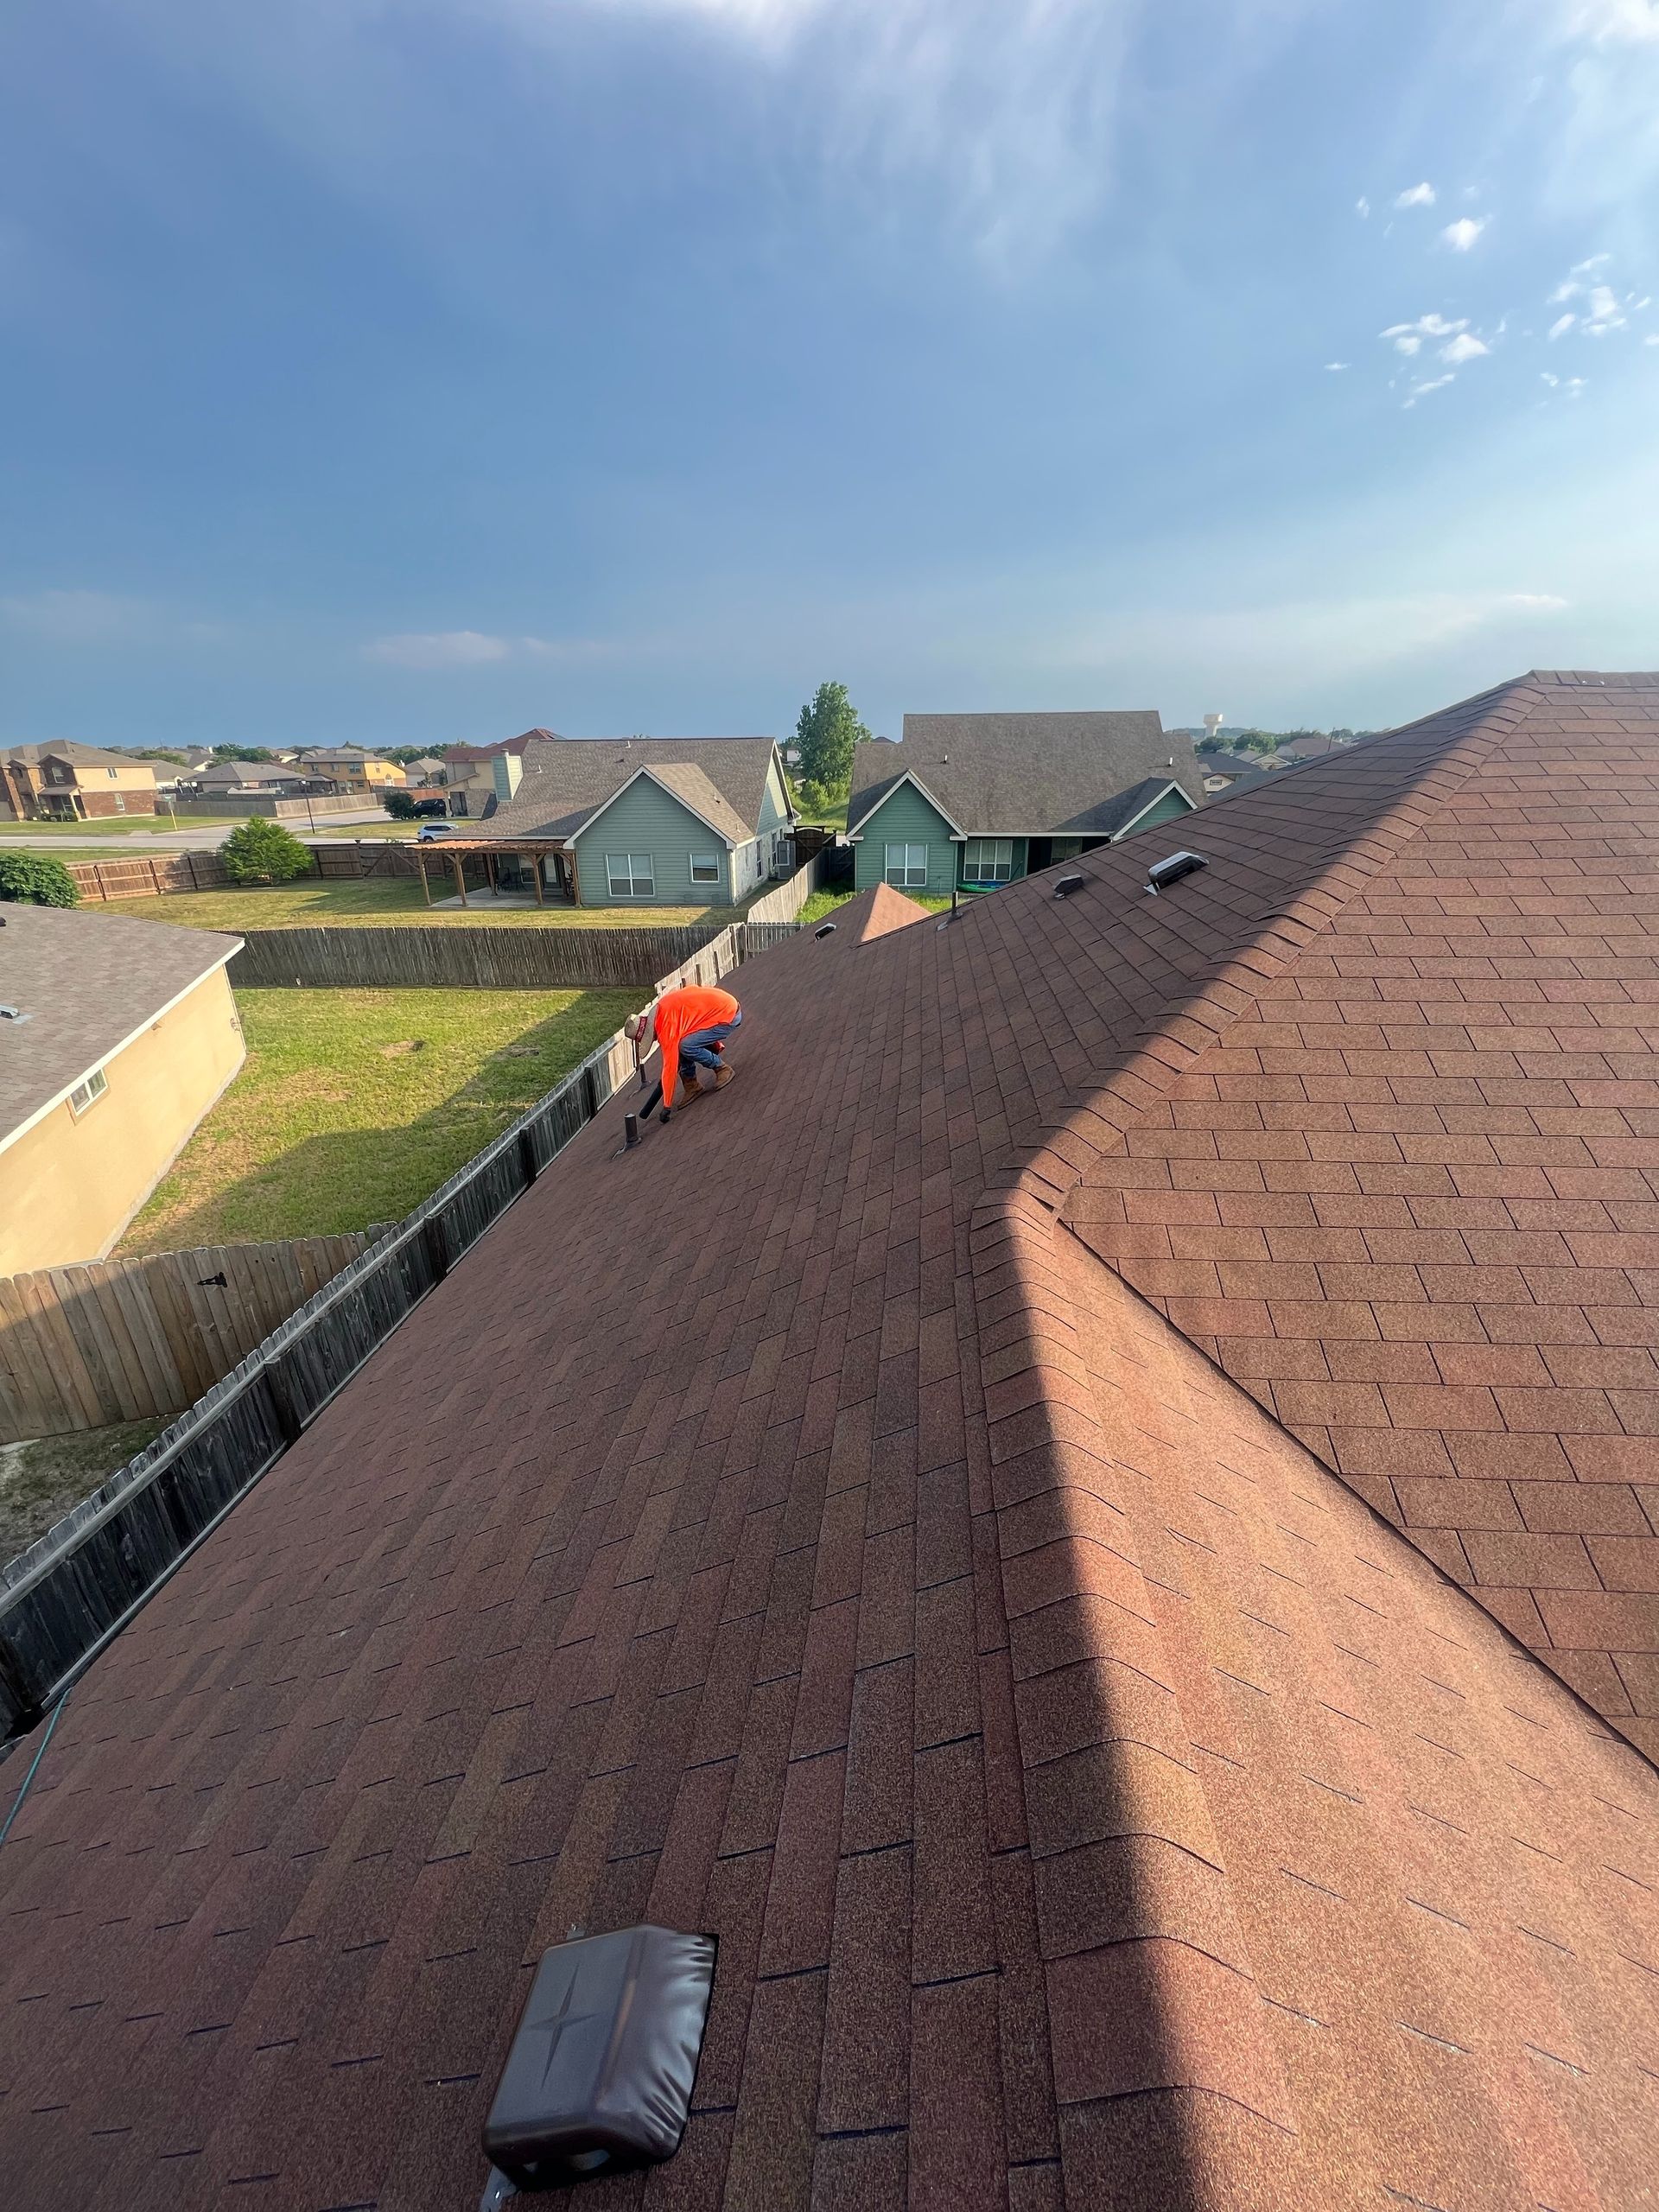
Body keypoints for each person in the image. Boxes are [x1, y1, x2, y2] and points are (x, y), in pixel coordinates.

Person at [625, 982, 741, 1119]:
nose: (655, 1040)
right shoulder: (663, 1008)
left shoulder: (666, 1025)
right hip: (726, 1006)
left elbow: (669, 1067)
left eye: (651, 1038)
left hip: (728, 1015)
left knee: (686, 1046)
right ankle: (691, 1085)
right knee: (681, 1044)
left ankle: (722, 1068)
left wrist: (667, 1106)